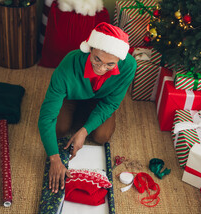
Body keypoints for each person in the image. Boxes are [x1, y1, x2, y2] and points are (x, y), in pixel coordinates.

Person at [38, 22, 137, 193]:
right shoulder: (68, 64)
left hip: (100, 101)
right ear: (90, 48)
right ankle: (78, 117)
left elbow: (111, 103)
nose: (101, 67)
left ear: (119, 60)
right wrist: (54, 158)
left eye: (110, 64)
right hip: (71, 97)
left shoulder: (129, 66)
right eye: (97, 59)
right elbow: (46, 117)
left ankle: (83, 121)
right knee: (58, 130)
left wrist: (84, 131)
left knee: (102, 136)